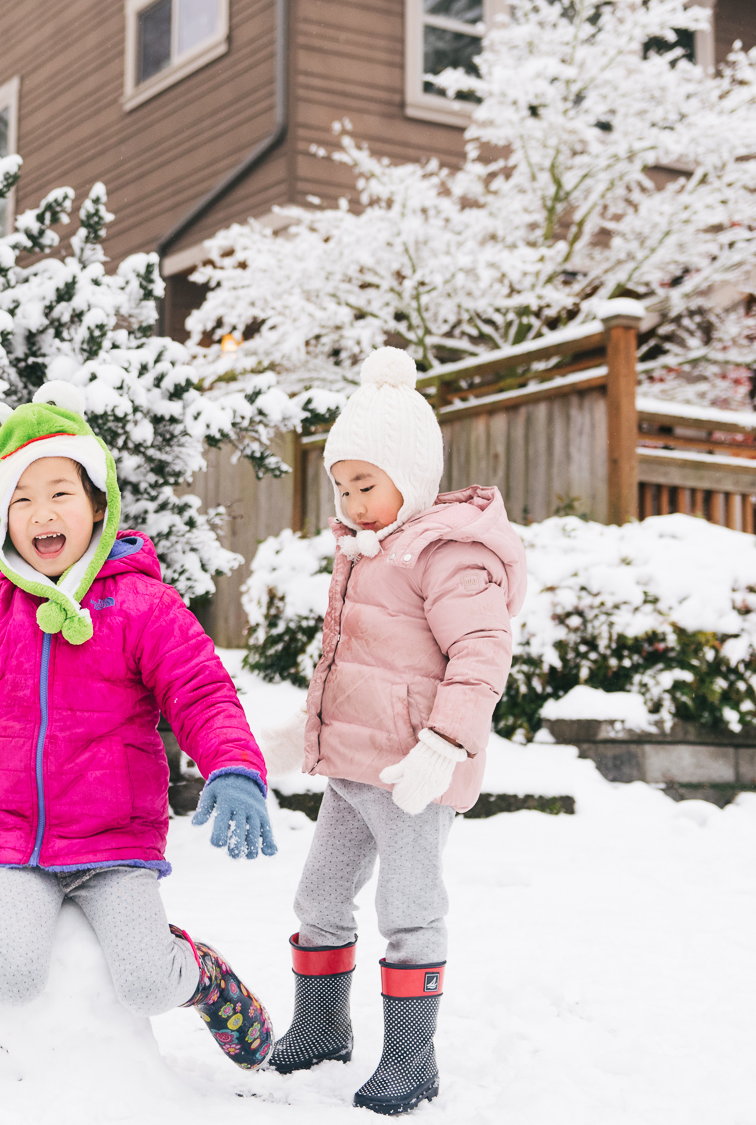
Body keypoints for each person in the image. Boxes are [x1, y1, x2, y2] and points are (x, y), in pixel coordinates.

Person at [0, 381, 278, 1072]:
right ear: (0, 518)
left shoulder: (142, 606)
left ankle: (207, 979)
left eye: (60, 493)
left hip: (114, 839)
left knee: (146, 981)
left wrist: (234, 765)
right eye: (21, 499)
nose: (42, 512)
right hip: (11, 838)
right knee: (12, 969)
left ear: (99, 504)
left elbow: (202, 692)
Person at [260, 348, 525, 1115]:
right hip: (354, 766)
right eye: (341, 485)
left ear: (410, 476)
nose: (351, 500)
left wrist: (443, 745)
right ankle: (321, 1030)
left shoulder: (449, 553)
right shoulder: (363, 550)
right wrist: (292, 737)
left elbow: (480, 654)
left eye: (366, 484)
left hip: (416, 770)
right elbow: (351, 668)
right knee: (319, 896)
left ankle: (412, 1061)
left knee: (409, 910)